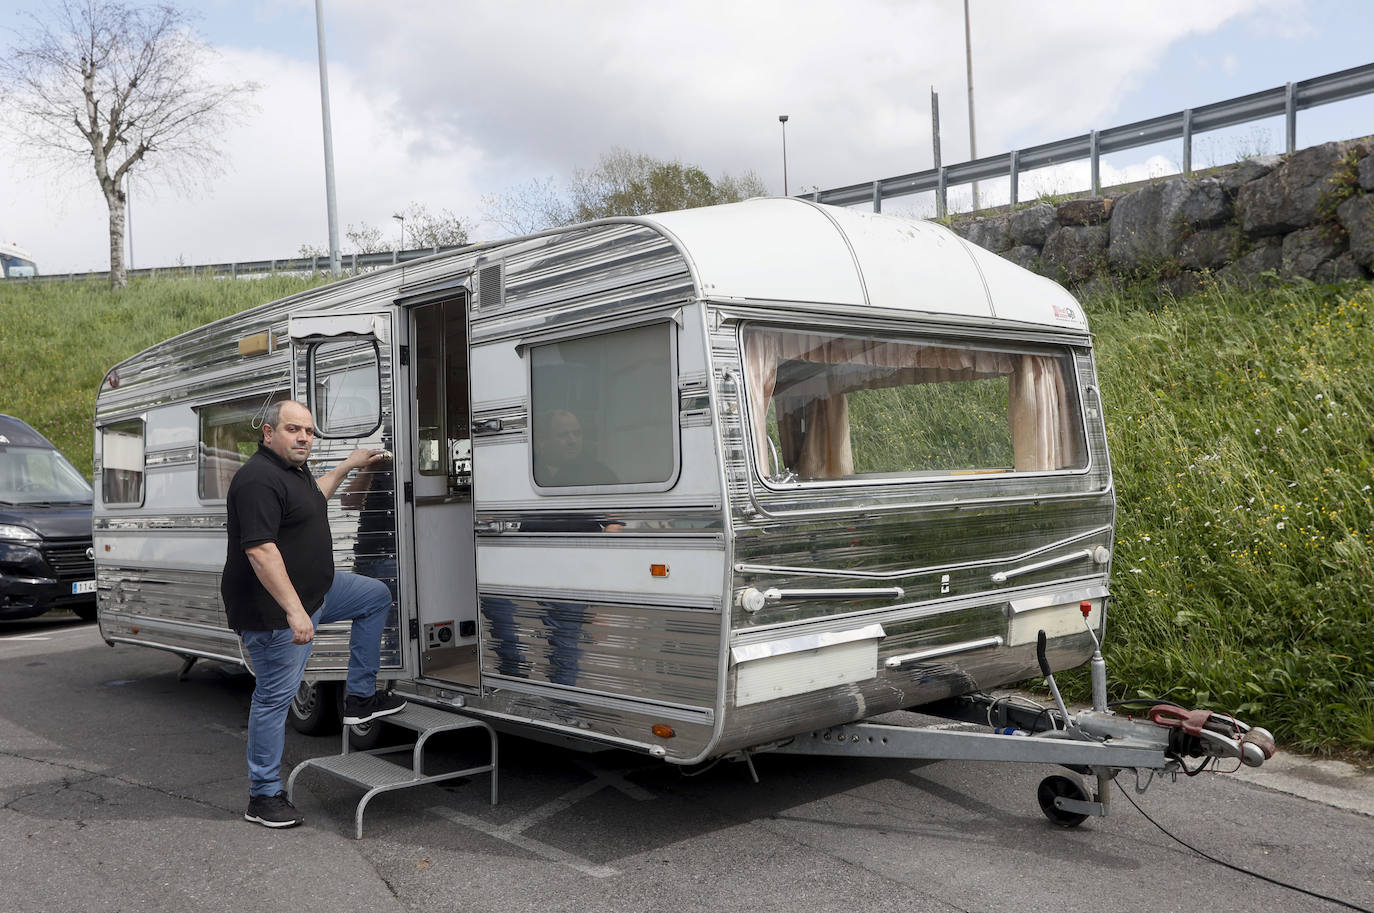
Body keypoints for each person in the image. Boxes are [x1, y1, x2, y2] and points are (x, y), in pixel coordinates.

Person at [222, 399, 406, 829]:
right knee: (273, 699)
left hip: (320, 592)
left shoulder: (294, 472)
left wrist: (347, 465)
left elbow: (312, 501)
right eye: (293, 429)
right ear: (268, 433)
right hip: (275, 612)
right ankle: (263, 795)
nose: (304, 437)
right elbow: (261, 551)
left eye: (308, 430)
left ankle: (359, 698)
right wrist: (295, 611)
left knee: (375, 596)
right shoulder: (257, 480)